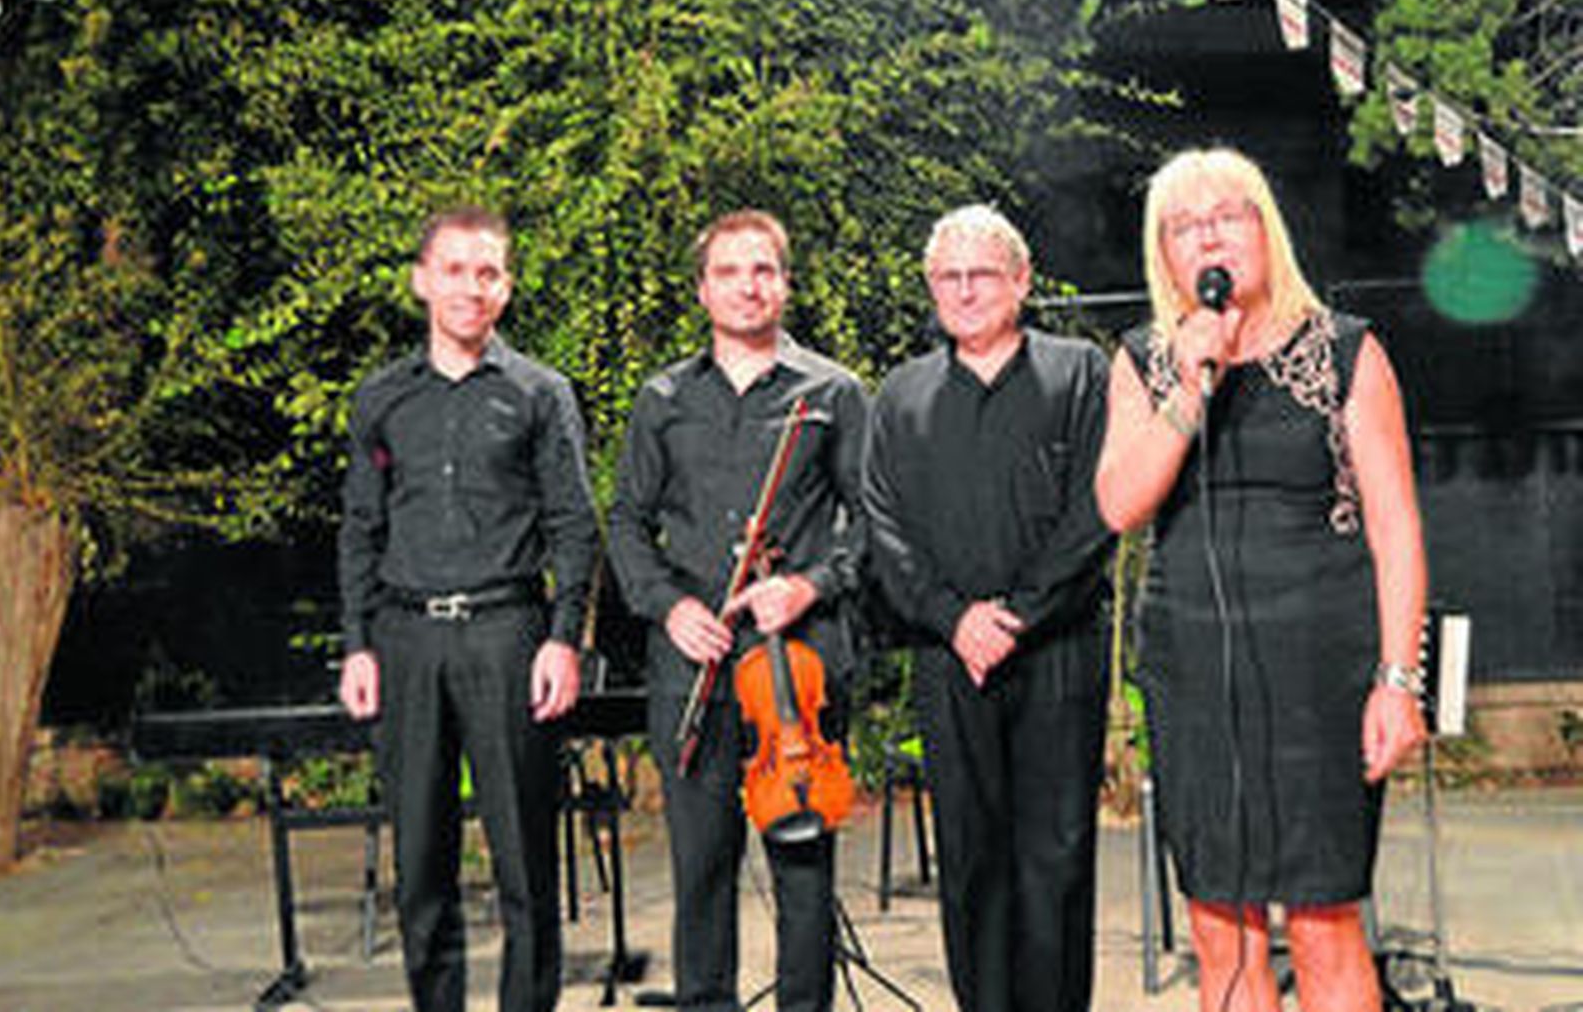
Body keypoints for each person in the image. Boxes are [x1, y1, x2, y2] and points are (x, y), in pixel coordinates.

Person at [1095, 147, 1428, 1012]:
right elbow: (1121, 504)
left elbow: (1396, 530)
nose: (1209, 236)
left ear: (1265, 229)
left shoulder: (1346, 351)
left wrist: (1398, 681)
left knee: (1322, 921)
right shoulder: (1143, 361)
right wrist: (1188, 389)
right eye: (1185, 225)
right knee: (1221, 925)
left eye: (1228, 216)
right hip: (1194, 672)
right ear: (1164, 254)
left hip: (1321, 668)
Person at [336, 206, 599, 1012]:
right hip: (406, 641)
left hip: (508, 636)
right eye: (454, 269)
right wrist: (358, 644)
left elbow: (574, 525)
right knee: (420, 861)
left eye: (488, 272)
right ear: (422, 280)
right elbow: (361, 527)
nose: (471, 287)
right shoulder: (381, 400)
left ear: (506, 287)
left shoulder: (541, 393)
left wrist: (563, 639)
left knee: (525, 859)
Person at [608, 210, 867, 1012]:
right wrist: (668, 607)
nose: (747, 287)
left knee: (802, 873)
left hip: (798, 668)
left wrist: (809, 585)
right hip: (692, 666)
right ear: (702, 290)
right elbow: (626, 524)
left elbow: (874, 525)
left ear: (785, 284)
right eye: (729, 272)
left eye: (763, 270)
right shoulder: (662, 398)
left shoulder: (833, 393)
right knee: (701, 869)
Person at [864, 204, 1116, 1012]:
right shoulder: (900, 396)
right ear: (932, 287)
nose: (966, 291)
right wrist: (953, 619)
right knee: (970, 858)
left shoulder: (1081, 373)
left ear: (1022, 280)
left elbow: (1098, 509)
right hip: (949, 658)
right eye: (949, 277)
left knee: (1057, 858)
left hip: (1060, 651)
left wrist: (1019, 616)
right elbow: (884, 527)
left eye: (982, 274)